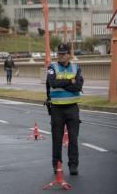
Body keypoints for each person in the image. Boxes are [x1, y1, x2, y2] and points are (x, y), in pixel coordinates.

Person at [46, 42, 83, 177]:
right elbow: (53, 83)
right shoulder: (52, 67)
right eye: (58, 53)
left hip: (72, 108)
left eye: (63, 54)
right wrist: (70, 82)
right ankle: (57, 165)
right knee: (57, 139)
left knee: (73, 139)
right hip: (57, 109)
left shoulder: (76, 68)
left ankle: (73, 165)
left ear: (69, 55)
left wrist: (67, 84)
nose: (60, 56)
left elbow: (78, 86)